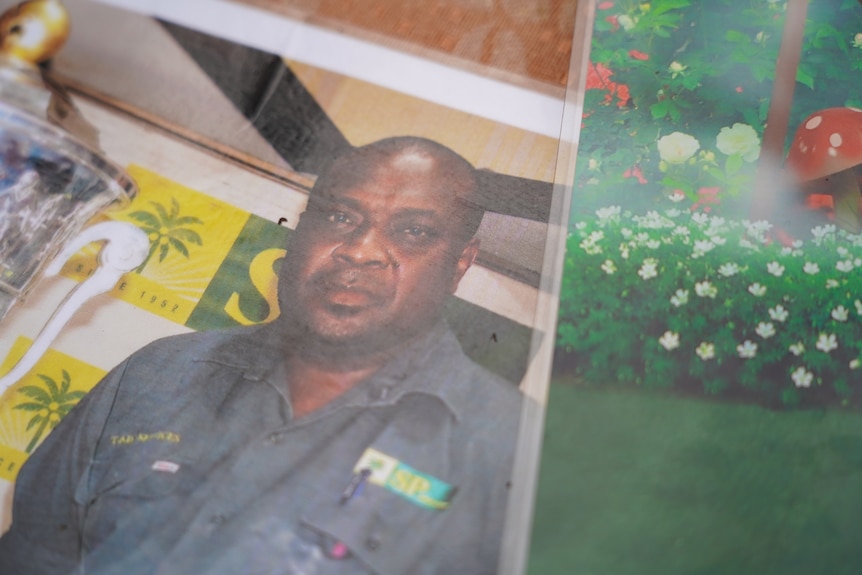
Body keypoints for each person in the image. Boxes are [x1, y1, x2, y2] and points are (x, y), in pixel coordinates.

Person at [0, 136, 523, 575]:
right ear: (300, 230)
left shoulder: (512, 450)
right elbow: (36, 551)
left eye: (413, 232)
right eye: (340, 216)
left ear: (460, 263)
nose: (360, 250)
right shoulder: (162, 371)